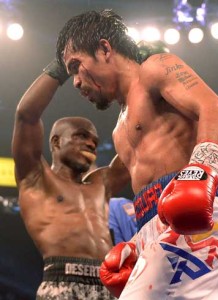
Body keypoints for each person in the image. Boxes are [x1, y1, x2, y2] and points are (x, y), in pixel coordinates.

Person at [55, 9, 218, 299]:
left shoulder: (155, 68)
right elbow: (108, 181)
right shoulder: (120, 129)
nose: (76, 82)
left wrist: (201, 172)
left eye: (76, 66)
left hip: (194, 225)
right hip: (159, 232)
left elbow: (215, 110)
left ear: (104, 49)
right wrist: (138, 242)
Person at [11, 59, 131, 299]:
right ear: (56, 142)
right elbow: (26, 115)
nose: (90, 144)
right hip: (62, 281)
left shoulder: (100, 185)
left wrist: (133, 88)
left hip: (107, 285)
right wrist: (60, 68)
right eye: (81, 136)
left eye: (94, 142)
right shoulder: (37, 178)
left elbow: (134, 149)